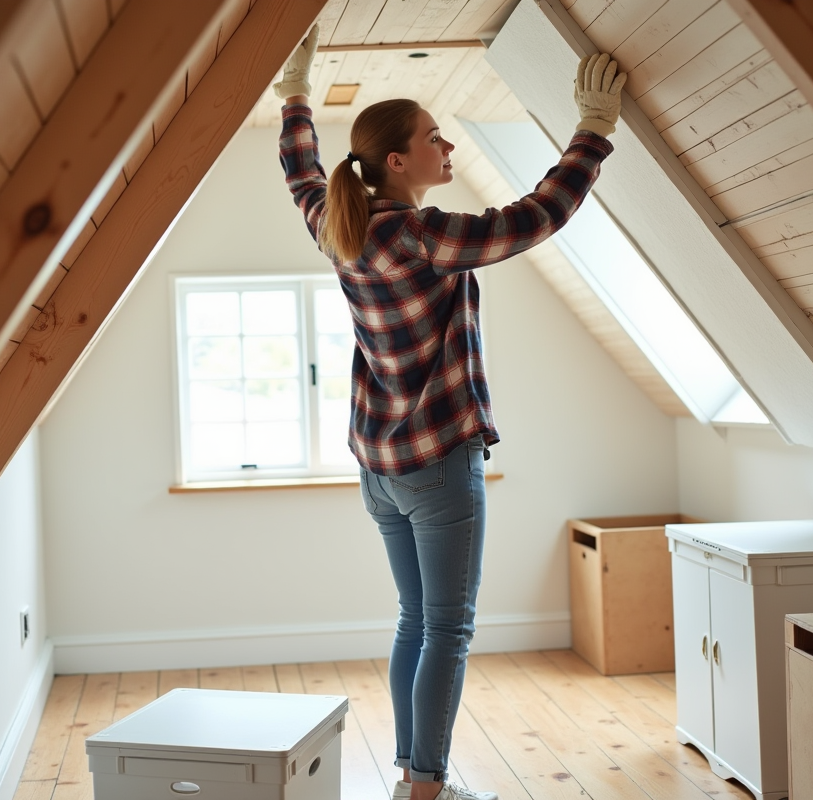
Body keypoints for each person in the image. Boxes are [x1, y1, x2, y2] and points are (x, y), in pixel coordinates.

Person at [275, 24, 626, 800]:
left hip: (381, 468)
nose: (451, 149)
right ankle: (426, 790)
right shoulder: (421, 234)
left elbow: (300, 171)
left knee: (416, 622)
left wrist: (295, 95)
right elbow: (534, 217)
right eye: (437, 139)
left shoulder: (340, 225)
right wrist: (593, 133)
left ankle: (413, 780)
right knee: (448, 629)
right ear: (398, 161)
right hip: (436, 466)